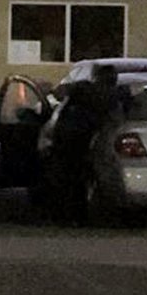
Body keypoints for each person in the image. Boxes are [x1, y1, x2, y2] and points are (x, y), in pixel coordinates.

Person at [42, 63, 120, 222]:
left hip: (71, 141)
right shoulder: (117, 96)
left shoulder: (83, 89)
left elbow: (60, 94)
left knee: (65, 180)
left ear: (96, 77)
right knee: (81, 182)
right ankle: (78, 215)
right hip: (92, 143)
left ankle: (63, 215)